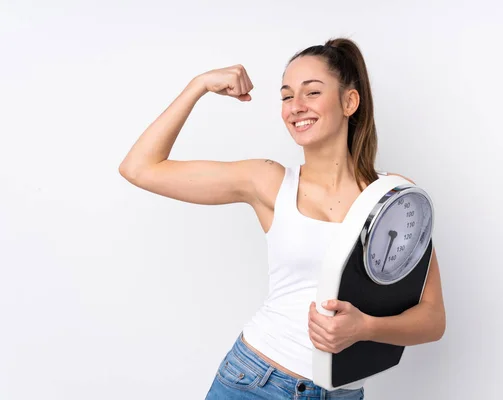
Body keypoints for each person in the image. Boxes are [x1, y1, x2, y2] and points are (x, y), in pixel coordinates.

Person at [119, 37, 446, 399]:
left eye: (312, 92)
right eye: (287, 96)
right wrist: (198, 85)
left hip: (341, 393)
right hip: (254, 380)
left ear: (349, 101)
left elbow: (432, 319)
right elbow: (139, 168)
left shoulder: (394, 198)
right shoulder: (269, 182)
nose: (296, 107)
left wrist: (364, 328)